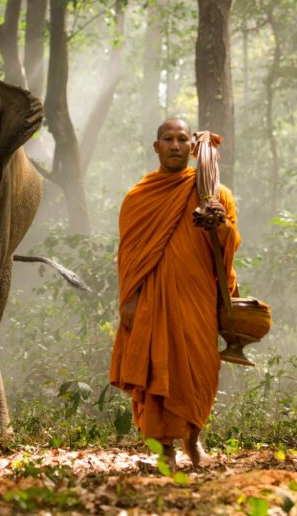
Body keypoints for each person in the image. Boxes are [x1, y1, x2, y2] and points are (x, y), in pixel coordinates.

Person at [110, 118, 241, 469]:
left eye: (182, 139)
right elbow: (129, 256)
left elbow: (229, 247)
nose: (174, 145)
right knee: (156, 373)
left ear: (193, 147)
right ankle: (165, 451)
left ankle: (193, 442)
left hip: (197, 298)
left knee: (201, 370)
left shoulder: (215, 194)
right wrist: (130, 299)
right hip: (152, 300)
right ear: (156, 147)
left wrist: (220, 222)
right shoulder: (138, 198)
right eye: (167, 139)